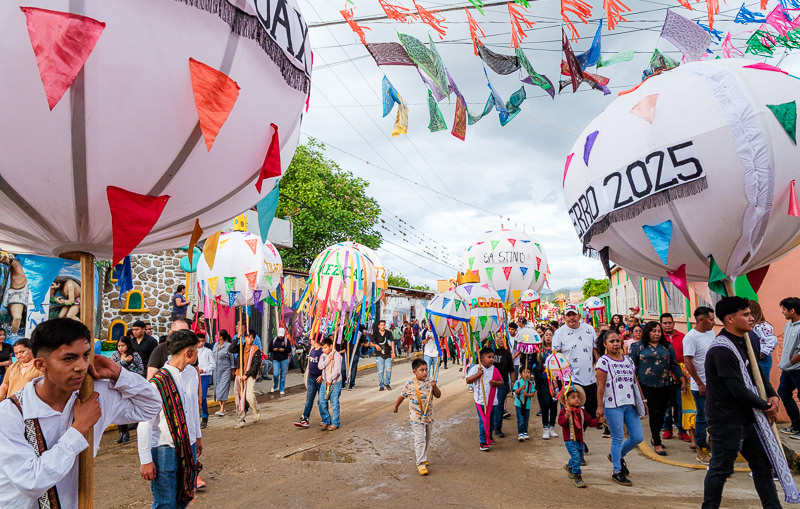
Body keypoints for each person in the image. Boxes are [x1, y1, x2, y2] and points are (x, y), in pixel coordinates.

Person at [0, 318, 161, 508]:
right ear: (41, 365)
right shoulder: (10, 413)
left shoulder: (94, 397)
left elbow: (151, 405)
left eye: (85, 356)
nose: (81, 366)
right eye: (68, 358)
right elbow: (31, 482)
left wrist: (118, 373)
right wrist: (79, 428)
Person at [703, 297, 786, 509]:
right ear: (730, 319)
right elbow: (737, 389)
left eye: (751, 313)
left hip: (750, 417)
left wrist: (772, 395)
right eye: (746, 315)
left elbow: (756, 373)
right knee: (721, 469)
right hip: (726, 419)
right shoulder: (721, 349)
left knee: (762, 465)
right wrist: (765, 405)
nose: (752, 318)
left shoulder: (751, 340)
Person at [138, 329, 203, 509]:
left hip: (188, 445)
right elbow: (144, 424)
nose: (198, 353)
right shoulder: (157, 383)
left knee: (184, 496)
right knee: (165, 502)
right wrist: (146, 459)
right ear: (188, 352)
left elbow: (193, 409)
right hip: (164, 448)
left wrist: (197, 437)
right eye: (196, 350)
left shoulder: (191, 373)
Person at [595, 330, 644, 487]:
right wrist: (600, 406)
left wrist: (643, 401)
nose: (616, 344)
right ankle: (617, 471)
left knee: (637, 437)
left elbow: (635, 382)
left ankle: (617, 456)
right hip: (612, 405)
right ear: (605, 344)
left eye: (618, 340)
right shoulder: (603, 362)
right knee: (617, 437)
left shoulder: (628, 360)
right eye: (612, 341)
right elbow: (601, 386)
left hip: (630, 404)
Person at [628, 321, 685, 456]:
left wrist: (681, 379)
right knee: (654, 411)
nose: (657, 333)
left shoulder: (666, 346)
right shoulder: (638, 346)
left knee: (662, 412)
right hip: (646, 385)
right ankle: (657, 442)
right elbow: (631, 367)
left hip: (664, 384)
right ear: (647, 332)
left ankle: (655, 436)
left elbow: (674, 364)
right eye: (654, 331)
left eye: (659, 331)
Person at [393, 358, 441, 475]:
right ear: (414, 371)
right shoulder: (409, 384)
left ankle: (423, 456)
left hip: (428, 415)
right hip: (416, 416)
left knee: (427, 438)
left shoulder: (430, 381)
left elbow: (438, 395)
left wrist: (434, 387)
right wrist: (396, 407)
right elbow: (401, 396)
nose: (425, 372)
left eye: (426, 370)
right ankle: (421, 463)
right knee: (420, 439)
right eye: (421, 370)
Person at [553, 304, 599, 420]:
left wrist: (600, 369)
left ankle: (581, 436)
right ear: (564, 317)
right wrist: (555, 380)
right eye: (568, 315)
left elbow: (595, 352)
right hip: (569, 380)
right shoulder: (559, 333)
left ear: (579, 316)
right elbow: (555, 357)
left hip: (589, 378)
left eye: (574, 315)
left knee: (591, 414)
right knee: (573, 415)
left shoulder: (589, 329)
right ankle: (574, 438)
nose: (571, 318)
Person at [683, 306, 716, 464]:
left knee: (715, 417)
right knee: (702, 418)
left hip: (715, 384)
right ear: (701, 320)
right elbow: (688, 362)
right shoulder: (691, 337)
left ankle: (715, 447)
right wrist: (699, 383)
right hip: (700, 387)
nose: (713, 322)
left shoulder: (711, 332)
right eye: (711, 319)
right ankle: (702, 448)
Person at [557, 386, 599, 488]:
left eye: (577, 397)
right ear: (567, 400)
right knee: (576, 458)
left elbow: (589, 421)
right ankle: (577, 475)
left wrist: (597, 422)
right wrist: (566, 416)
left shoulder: (582, 412)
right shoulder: (565, 411)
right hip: (570, 440)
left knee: (579, 457)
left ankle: (570, 466)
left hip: (580, 439)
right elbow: (561, 422)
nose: (576, 399)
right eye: (573, 397)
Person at [465, 347, 503, 451]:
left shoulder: (494, 369)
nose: (491, 359)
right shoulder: (476, 368)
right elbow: (468, 380)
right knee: (483, 421)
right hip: (480, 400)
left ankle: (489, 436)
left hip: (492, 401)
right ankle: (483, 442)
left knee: (490, 421)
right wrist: (478, 375)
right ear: (481, 358)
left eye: (493, 357)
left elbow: (502, 381)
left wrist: (495, 383)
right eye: (489, 357)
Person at [660, 313, 688, 442]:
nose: (667, 325)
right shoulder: (659, 339)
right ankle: (667, 429)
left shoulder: (682, 337)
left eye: (669, 322)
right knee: (666, 405)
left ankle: (682, 430)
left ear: (673, 323)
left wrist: (681, 375)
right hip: (665, 377)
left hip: (682, 375)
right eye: (664, 323)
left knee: (680, 404)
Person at [111, 336, 144, 443]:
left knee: (128, 408)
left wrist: (132, 377)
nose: (120, 348)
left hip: (131, 386)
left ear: (128, 345)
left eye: (123, 346)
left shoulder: (135, 355)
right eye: (119, 346)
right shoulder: (115, 355)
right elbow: (112, 367)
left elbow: (141, 369)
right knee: (119, 409)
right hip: (117, 386)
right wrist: (124, 362)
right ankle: (123, 432)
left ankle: (129, 431)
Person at [778, 297, 800, 437]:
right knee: (784, 393)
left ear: (792, 310)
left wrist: (792, 361)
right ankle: (796, 425)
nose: (783, 312)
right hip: (787, 369)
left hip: (798, 369)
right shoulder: (788, 326)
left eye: (784, 310)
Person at [231, 332, 261, 429]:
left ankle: (256, 410)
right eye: (247, 337)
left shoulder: (256, 350)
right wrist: (237, 338)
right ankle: (241, 419)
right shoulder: (241, 346)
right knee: (238, 397)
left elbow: (255, 366)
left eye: (251, 337)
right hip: (239, 374)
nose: (249, 339)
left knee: (249, 396)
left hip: (250, 375)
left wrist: (247, 375)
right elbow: (231, 349)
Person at [294, 335, 324, 428]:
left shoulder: (322, 351)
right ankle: (305, 418)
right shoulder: (312, 350)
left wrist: (323, 376)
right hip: (311, 378)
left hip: (320, 379)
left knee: (321, 401)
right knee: (309, 399)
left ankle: (325, 418)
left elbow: (326, 365)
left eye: (311, 339)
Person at [536, 328, 559, 440]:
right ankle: (545, 427)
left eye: (550, 335)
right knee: (546, 403)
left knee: (554, 404)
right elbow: (533, 364)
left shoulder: (557, 350)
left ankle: (552, 427)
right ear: (543, 336)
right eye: (546, 335)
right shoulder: (539, 350)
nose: (548, 337)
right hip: (543, 380)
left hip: (555, 381)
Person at [491, 332, 515, 437]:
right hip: (490, 383)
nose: (501, 340)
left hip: (503, 383)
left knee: (499, 405)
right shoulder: (490, 352)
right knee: (490, 406)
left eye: (503, 338)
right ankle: (490, 427)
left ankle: (498, 428)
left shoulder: (507, 353)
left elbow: (511, 369)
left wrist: (513, 382)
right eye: (499, 338)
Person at [317, 337, 343, 431]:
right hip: (325, 382)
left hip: (335, 382)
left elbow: (337, 370)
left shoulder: (337, 356)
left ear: (331, 346)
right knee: (321, 401)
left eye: (325, 347)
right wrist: (328, 359)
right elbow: (320, 366)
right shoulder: (323, 356)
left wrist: (330, 379)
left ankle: (335, 422)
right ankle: (326, 420)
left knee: (334, 402)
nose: (323, 350)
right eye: (322, 348)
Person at [749, 300, 778, 380]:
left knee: (763, 381)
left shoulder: (763, 326)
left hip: (762, 358)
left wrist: (763, 353)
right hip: (753, 356)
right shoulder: (751, 326)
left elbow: (772, 341)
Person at [212, 329, 235, 416]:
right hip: (216, 371)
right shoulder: (215, 346)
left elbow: (231, 358)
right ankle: (221, 407)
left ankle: (222, 409)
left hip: (226, 370)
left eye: (217, 335)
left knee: (223, 389)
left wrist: (232, 369)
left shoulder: (228, 346)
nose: (215, 336)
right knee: (217, 389)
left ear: (221, 337)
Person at [369, 320, 395, 391]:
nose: (382, 326)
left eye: (384, 325)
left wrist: (393, 352)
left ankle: (387, 383)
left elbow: (392, 342)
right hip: (379, 354)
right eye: (381, 325)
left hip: (388, 354)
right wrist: (375, 345)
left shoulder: (388, 333)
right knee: (380, 371)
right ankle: (381, 385)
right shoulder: (375, 333)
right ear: (378, 326)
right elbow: (370, 343)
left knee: (388, 370)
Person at [196, 333, 215, 429]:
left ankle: (204, 416)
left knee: (202, 397)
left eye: (203, 341)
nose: (201, 343)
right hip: (194, 376)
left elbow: (213, 364)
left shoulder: (208, 351)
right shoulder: (192, 351)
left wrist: (204, 370)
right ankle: (195, 417)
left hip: (204, 376)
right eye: (199, 341)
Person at [513, 367, 536, 441]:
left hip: (527, 404)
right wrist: (521, 388)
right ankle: (520, 432)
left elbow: (532, 394)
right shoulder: (518, 382)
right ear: (520, 374)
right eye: (525, 372)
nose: (527, 374)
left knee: (526, 419)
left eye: (528, 372)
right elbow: (515, 392)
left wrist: (526, 394)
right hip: (518, 403)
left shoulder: (530, 384)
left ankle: (525, 431)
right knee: (520, 419)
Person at [270, 327, 290, 395]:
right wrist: (274, 349)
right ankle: (275, 385)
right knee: (275, 374)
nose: (280, 337)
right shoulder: (274, 340)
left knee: (283, 375)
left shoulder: (286, 340)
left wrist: (284, 350)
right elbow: (270, 348)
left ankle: (281, 389)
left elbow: (289, 349)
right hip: (276, 359)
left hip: (284, 359)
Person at [348, 325, 368, 390]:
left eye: (356, 324)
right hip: (347, 353)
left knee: (353, 369)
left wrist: (361, 345)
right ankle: (344, 382)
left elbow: (365, 343)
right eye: (354, 324)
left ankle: (352, 384)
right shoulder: (347, 332)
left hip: (355, 353)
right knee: (344, 369)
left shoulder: (360, 334)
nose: (355, 326)